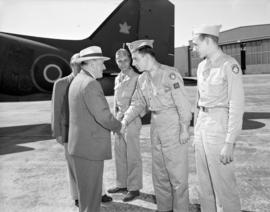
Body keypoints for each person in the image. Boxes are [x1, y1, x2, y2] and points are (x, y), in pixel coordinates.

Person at [121, 40, 192, 212]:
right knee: (159, 174)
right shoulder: (142, 79)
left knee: (177, 175)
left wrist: (184, 127)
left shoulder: (170, 75)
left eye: (136, 59)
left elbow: (183, 104)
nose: (134, 63)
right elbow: (137, 103)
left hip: (173, 126)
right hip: (156, 126)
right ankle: (164, 208)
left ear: (146, 56)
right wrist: (124, 120)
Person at [192, 25, 244, 212]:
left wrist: (229, 142)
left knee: (224, 184)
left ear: (208, 41)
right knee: (204, 183)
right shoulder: (201, 66)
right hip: (202, 126)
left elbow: (237, 105)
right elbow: (198, 101)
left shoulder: (229, 65)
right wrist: (195, 132)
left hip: (219, 125)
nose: (193, 48)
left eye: (196, 44)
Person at [68, 46, 122, 212]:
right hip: (89, 149)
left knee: (86, 195)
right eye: (101, 63)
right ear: (91, 63)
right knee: (91, 198)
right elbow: (103, 116)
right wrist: (119, 126)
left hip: (80, 147)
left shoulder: (78, 80)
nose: (104, 67)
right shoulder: (90, 84)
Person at [108, 48, 142, 202]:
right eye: (119, 60)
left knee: (132, 155)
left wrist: (125, 118)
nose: (122, 63)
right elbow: (116, 102)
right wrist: (115, 119)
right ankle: (122, 184)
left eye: (125, 60)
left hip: (132, 121)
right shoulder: (117, 78)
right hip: (119, 120)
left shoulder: (138, 78)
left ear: (130, 59)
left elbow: (140, 103)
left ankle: (134, 188)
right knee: (120, 154)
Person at [51, 53, 80, 207]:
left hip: (87, 134)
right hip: (68, 133)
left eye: (82, 63)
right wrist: (57, 133)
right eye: (76, 63)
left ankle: (99, 193)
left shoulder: (89, 82)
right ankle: (77, 195)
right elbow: (55, 110)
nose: (78, 67)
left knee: (93, 164)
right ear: (71, 64)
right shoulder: (61, 84)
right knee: (73, 166)